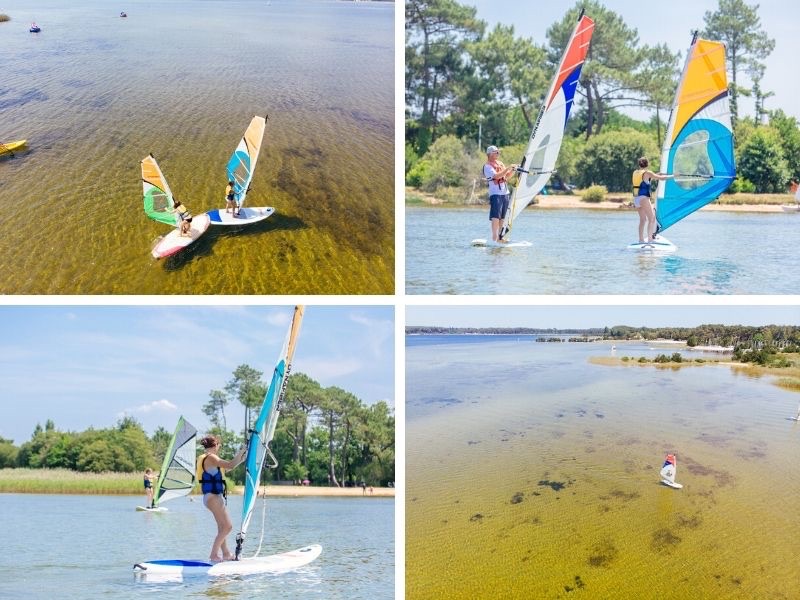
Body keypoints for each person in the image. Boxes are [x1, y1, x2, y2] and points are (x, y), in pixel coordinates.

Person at [198, 435, 246, 562]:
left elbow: (230, 466)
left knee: (221, 527)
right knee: (227, 527)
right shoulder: (211, 457)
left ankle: (226, 553)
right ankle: (213, 555)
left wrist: (241, 458)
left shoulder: (207, 459)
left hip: (210, 497)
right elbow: (230, 465)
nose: (219, 448)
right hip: (213, 497)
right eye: (219, 445)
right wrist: (241, 451)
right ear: (215, 445)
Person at [632, 157, 672, 243]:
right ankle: (650, 240)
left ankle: (641, 240)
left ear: (639, 164)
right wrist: (673, 176)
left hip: (636, 199)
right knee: (652, 218)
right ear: (647, 164)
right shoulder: (648, 173)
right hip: (643, 198)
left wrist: (657, 174)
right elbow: (661, 178)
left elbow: (647, 178)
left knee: (642, 219)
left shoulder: (635, 172)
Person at [482, 146, 518, 242]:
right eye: (496, 152)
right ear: (490, 154)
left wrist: (513, 170)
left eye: (498, 152)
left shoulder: (500, 164)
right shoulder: (487, 166)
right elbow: (497, 176)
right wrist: (508, 168)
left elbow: (506, 177)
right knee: (496, 217)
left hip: (505, 193)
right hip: (495, 194)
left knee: (503, 217)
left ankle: (501, 237)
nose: (498, 154)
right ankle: (495, 238)